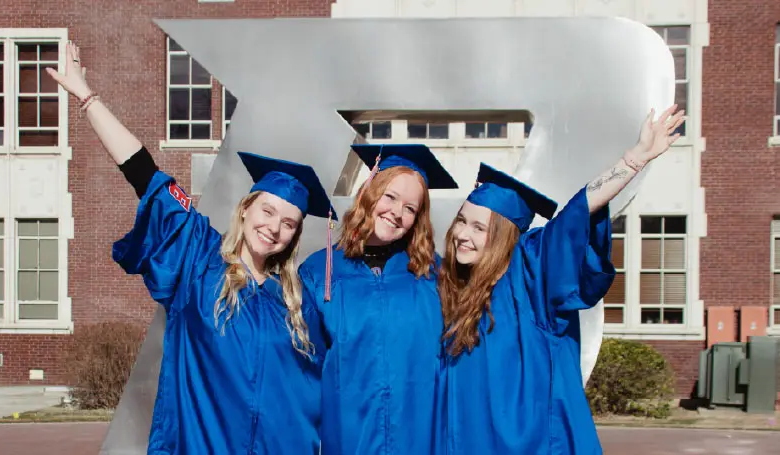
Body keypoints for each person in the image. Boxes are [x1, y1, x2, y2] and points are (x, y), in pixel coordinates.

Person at [47, 41, 332, 455]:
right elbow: (147, 177)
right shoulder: (199, 261)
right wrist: (87, 97)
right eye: (268, 212)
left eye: (289, 223)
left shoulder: (297, 303)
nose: (274, 228)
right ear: (247, 208)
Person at [438, 106, 686, 454]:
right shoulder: (453, 284)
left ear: (502, 237)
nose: (462, 234)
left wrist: (635, 158)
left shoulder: (531, 272)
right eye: (462, 221)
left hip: (534, 441)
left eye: (479, 227)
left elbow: (576, 214)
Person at [298, 143, 458, 455]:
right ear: (370, 193)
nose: (397, 213)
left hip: (420, 441)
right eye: (391, 197)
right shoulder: (321, 272)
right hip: (348, 442)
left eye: (410, 208)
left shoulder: (434, 274)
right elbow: (304, 372)